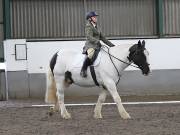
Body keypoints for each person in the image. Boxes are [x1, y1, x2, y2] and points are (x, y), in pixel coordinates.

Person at [80, 11, 115, 77]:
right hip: (90, 46)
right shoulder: (88, 26)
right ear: (90, 19)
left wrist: (112, 45)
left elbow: (103, 38)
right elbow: (89, 36)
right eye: (94, 17)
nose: (96, 18)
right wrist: (97, 41)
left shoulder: (97, 26)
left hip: (97, 46)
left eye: (96, 17)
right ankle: (83, 69)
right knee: (91, 55)